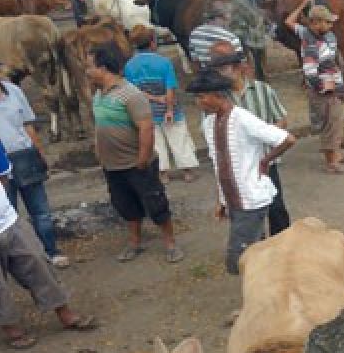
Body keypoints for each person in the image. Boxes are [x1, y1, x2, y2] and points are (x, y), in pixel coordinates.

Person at [0, 131, 96, 348]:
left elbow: (2, 176)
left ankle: (65, 313)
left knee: (38, 263)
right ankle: (12, 329)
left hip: (8, 220)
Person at [187, 70, 294, 275]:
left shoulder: (243, 119)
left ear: (218, 96)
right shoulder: (209, 124)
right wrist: (222, 200)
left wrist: (266, 160)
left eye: (201, 97)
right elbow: (219, 165)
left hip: (251, 200)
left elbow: (287, 139)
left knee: (238, 260)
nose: (198, 103)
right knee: (257, 252)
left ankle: (267, 283)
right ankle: (270, 283)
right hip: (234, 201)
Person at [87, 41, 183, 263]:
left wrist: (143, 158)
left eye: (90, 66)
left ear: (103, 68)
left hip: (136, 164)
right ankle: (135, 242)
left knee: (155, 203)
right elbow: (100, 127)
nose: (87, 71)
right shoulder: (99, 95)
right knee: (125, 205)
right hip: (112, 165)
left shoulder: (131, 95)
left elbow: (146, 127)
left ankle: (170, 243)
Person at [0, 48, 68, 268]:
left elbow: (27, 124)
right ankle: (13, 261)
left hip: (25, 157)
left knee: (41, 211)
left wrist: (39, 153)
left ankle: (51, 251)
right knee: (7, 215)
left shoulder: (13, 91)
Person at [209, 44, 292, 236]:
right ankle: (258, 247)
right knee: (248, 211)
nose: (219, 74)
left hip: (266, 160)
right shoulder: (220, 98)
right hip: (239, 166)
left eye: (223, 68)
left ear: (238, 68)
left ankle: (284, 243)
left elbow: (281, 118)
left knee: (276, 207)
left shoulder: (263, 90)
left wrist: (265, 135)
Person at [123, 26, 198, 185]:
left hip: (145, 112)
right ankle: (187, 171)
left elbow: (134, 92)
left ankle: (163, 174)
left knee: (156, 144)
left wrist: (153, 99)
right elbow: (170, 89)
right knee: (179, 139)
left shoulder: (129, 66)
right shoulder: (164, 63)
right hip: (169, 109)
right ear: (152, 43)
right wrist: (169, 109)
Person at [285, 0, 344, 173]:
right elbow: (310, 70)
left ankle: (335, 155)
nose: (330, 25)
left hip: (330, 86)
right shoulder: (312, 43)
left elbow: (289, 22)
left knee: (334, 121)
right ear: (316, 23)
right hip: (324, 89)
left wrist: (301, 5)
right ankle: (331, 162)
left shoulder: (307, 34)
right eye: (326, 22)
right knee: (330, 124)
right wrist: (323, 86)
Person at [228, 0, 269, 82]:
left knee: (252, 56)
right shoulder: (243, 2)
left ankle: (256, 75)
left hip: (249, 33)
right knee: (255, 56)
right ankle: (259, 76)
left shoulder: (238, 2)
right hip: (250, 33)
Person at [188, 5, 243, 70]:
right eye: (227, 18)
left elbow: (195, 60)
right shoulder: (231, 38)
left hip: (206, 75)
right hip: (226, 77)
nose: (229, 21)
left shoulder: (194, 34)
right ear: (218, 18)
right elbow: (239, 65)